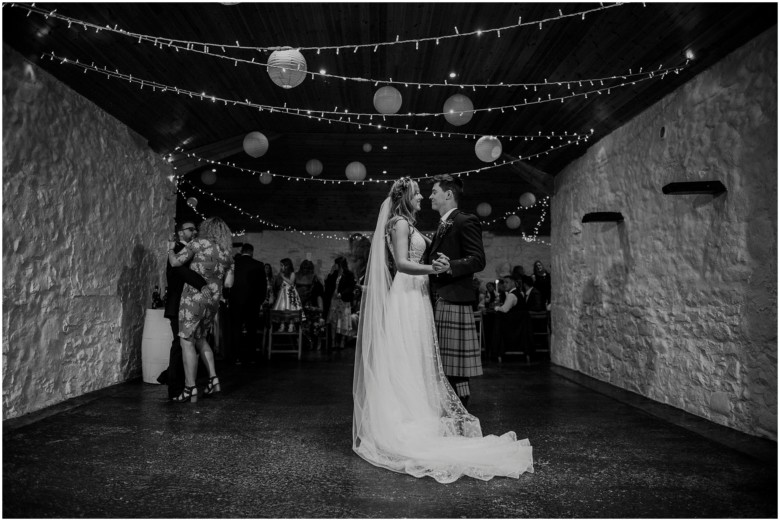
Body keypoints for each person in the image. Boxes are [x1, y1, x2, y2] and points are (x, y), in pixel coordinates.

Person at [352, 176, 533, 483]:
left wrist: (443, 268)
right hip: (410, 294)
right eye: (420, 194)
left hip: (422, 295)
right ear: (406, 196)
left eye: (431, 193)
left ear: (448, 195)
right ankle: (406, 421)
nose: (425, 197)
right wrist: (434, 269)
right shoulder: (399, 223)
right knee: (408, 357)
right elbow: (402, 262)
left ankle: (431, 417)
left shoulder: (439, 222)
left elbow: (473, 258)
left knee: (423, 360)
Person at [425, 174, 485, 407]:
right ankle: (452, 414)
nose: (430, 196)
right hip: (441, 300)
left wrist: (453, 266)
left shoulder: (464, 220)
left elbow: (478, 260)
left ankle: (462, 414)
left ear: (448, 194)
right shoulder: (442, 225)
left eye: (434, 192)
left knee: (456, 369)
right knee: (445, 367)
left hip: (454, 300)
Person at [167, 217, 235, 403]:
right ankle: (213, 379)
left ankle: (190, 388)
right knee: (201, 338)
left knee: (186, 341)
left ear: (207, 229)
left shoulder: (198, 243)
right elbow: (229, 283)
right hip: (213, 300)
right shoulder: (227, 253)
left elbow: (175, 263)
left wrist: (171, 249)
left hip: (194, 298)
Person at [159, 221, 209, 399]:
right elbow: (180, 270)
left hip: (187, 304)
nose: (194, 231)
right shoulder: (179, 249)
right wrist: (204, 285)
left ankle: (172, 377)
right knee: (179, 346)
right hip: (178, 303)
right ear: (180, 233)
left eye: (195, 229)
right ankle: (174, 387)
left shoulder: (188, 249)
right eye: (190, 229)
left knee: (185, 344)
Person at [226, 243, 266, 365]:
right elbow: (262, 286)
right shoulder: (258, 265)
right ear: (252, 252)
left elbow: (227, 281)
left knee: (236, 328)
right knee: (251, 329)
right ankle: (251, 357)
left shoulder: (233, 263)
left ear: (242, 251)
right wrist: (260, 301)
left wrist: (227, 298)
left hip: (236, 301)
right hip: (252, 302)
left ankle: (236, 356)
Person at [295, 259, 326, 350]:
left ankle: (314, 344)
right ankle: (304, 343)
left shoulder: (316, 284)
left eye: (307, 268)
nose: (305, 270)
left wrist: (313, 309)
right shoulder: (297, 277)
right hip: (301, 308)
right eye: (304, 268)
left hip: (311, 310)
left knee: (315, 324)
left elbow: (320, 308)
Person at [326, 256, 355, 349]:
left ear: (340, 264)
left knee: (344, 321)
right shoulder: (334, 274)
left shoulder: (349, 274)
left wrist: (342, 294)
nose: (334, 266)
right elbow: (328, 285)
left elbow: (351, 287)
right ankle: (333, 341)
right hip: (334, 300)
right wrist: (330, 273)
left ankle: (342, 341)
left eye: (336, 264)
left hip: (344, 300)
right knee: (334, 321)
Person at [273, 258, 302, 333]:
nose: (281, 267)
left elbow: (291, 282)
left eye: (282, 265)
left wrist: (283, 277)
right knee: (282, 308)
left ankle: (291, 325)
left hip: (290, 293)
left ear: (287, 266)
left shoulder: (292, 273)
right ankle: (282, 325)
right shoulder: (283, 274)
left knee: (290, 308)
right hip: (283, 293)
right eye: (281, 265)